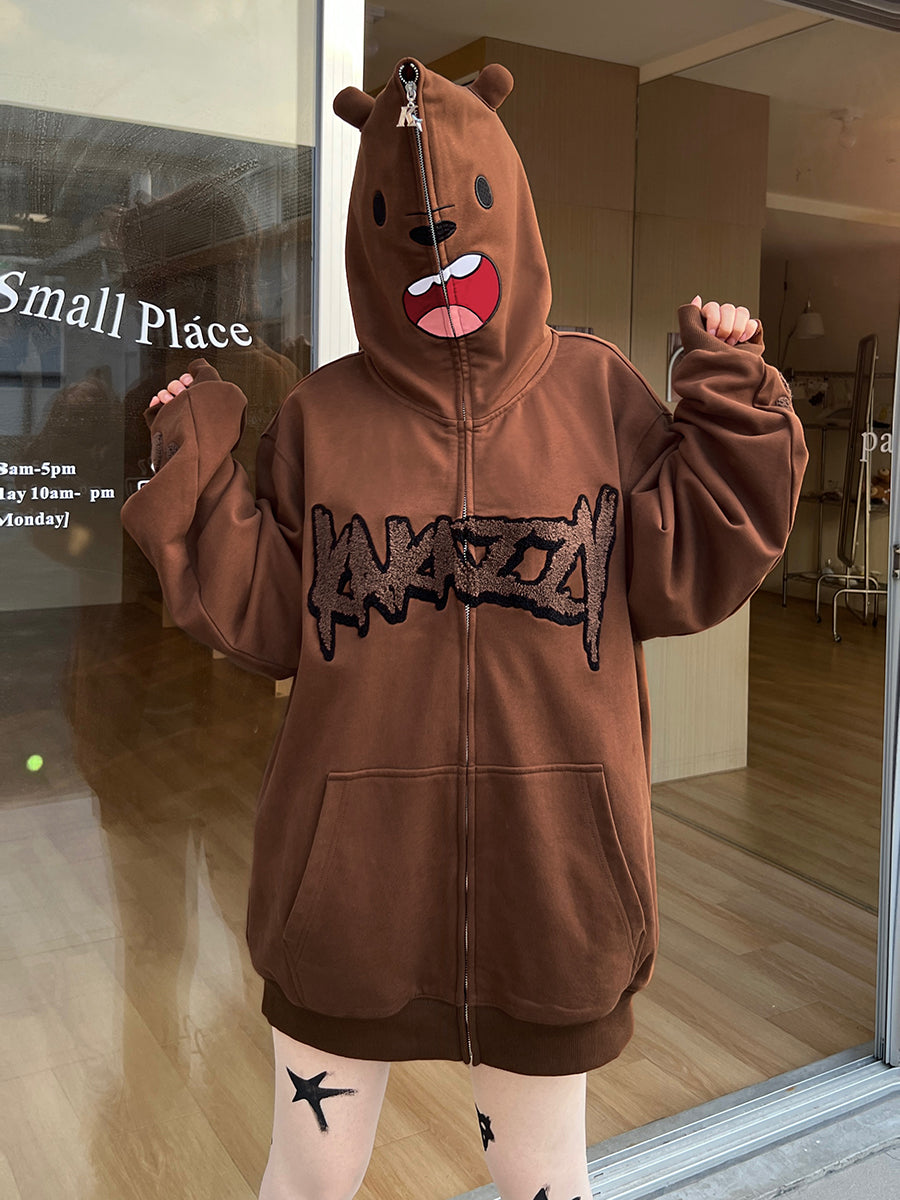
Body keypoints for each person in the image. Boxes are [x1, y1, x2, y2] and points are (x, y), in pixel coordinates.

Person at [121, 57, 809, 1200]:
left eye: (467, 210)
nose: (438, 242)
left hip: (553, 884)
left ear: (510, 206)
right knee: (312, 1169)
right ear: (369, 234)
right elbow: (267, 609)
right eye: (403, 225)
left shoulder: (598, 395)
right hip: (349, 895)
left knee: (541, 1175)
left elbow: (696, 554)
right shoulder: (324, 418)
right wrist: (195, 465)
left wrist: (731, 388)